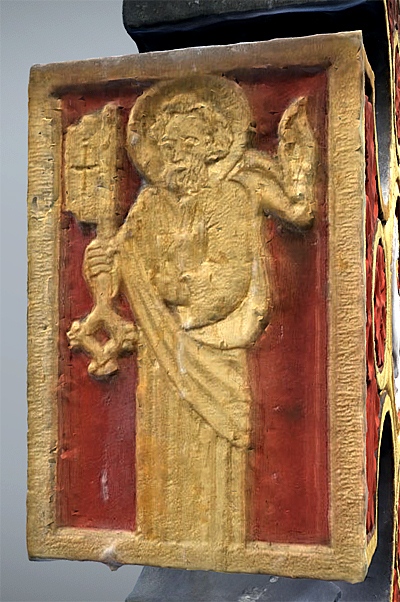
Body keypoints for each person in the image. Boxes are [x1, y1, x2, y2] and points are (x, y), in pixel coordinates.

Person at [84, 76, 315, 548]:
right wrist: (102, 262)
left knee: (215, 457)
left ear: (213, 145)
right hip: (161, 356)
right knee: (162, 455)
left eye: (189, 143)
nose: (178, 156)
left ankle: (220, 543)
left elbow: (227, 279)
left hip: (213, 348)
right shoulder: (151, 202)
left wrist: (172, 289)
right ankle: (166, 540)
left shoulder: (230, 195)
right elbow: (121, 263)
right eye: (169, 146)